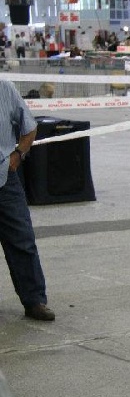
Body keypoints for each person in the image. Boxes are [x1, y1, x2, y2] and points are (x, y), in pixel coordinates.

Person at [0, 80, 55, 322]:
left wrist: (19, 153)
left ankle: (34, 301)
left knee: (22, 240)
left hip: (5, 178)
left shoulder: (5, 89)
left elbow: (29, 127)